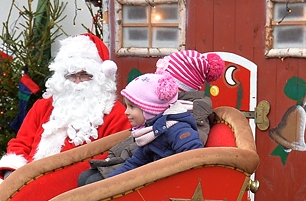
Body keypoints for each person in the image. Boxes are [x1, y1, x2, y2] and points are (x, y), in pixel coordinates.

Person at [0, 33, 131, 201]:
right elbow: (20, 143)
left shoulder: (115, 114)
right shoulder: (44, 106)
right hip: (26, 180)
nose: (77, 82)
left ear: (99, 77)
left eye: (85, 76)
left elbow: (110, 163)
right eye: (71, 75)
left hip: (69, 191)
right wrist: (13, 173)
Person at [89, 49, 224, 181]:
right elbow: (139, 155)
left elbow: (191, 156)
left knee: (90, 180)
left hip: (157, 179)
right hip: (144, 167)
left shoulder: (177, 121)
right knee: (87, 179)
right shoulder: (158, 122)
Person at [77, 72, 203, 186]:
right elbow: (134, 162)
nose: (126, 112)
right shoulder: (150, 132)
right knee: (86, 180)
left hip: (166, 186)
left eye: (132, 107)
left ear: (151, 109)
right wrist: (106, 185)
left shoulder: (176, 129)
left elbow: (194, 159)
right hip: (153, 181)